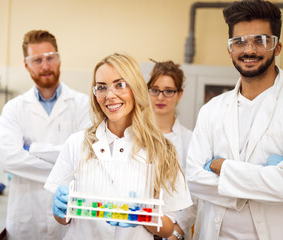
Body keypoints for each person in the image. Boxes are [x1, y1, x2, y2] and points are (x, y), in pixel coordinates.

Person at [186, 0, 283, 239]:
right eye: (239, 42)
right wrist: (265, 176)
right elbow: (194, 179)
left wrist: (221, 167)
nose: (249, 50)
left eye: (261, 40)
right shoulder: (212, 110)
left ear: (277, 47)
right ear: (230, 49)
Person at [44, 53, 193, 240]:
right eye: (101, 87)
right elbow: (62, 219)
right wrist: (60, 209)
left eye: (120, 85)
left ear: (136, 89)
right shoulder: (77, 143)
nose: (110, 95)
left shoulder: (163, 150)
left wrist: (143, 215)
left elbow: (168, 227)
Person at [0, 30, 90, 240]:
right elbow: (9, 158)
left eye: (50, 58)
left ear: (59, 59)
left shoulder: (83, 105)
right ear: (26, 65)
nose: (45, 65)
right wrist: (65, 164)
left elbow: (85, 158)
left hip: (69, 222)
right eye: (37, 60)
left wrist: (32, 150)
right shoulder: (13, 109)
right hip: (26, 219)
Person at [147, 60, 195, 240]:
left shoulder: (190, 140)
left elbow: (194, 193)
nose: (160, 97)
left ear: (179, 94)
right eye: (155, 90)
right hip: (138, 227)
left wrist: (175, 233)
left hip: (175, 232)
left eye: (168, 91)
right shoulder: (135, 136)